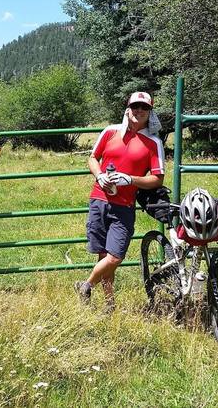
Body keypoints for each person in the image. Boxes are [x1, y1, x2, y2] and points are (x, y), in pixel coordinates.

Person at [75, 91, 165, 312]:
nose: (139, 111)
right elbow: (93, 158)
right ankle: (109, 304)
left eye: (144, 108)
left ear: (150, 112)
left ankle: (86, 285)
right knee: (104, 255)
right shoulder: (110, 132)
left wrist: (130, 179)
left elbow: (157, 178)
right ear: (128, 108)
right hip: (99, 199)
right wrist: (99, 175)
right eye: (135, 106)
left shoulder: (153, 143)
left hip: (124, 205)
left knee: (115, 256)